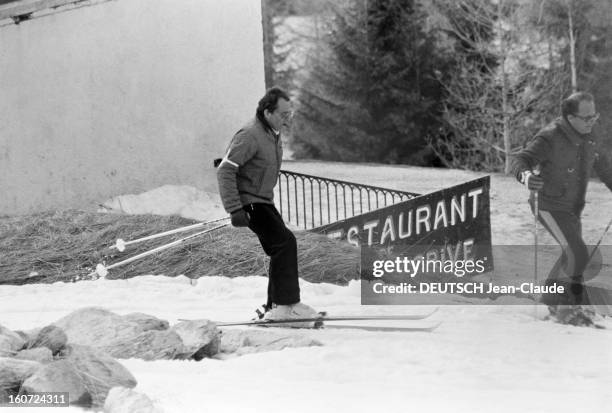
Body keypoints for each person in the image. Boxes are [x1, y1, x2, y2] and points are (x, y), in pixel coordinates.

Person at [216, 87, 318, 322]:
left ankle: (277, 305)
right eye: (283, 114)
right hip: (249, 202)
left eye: (289, 114)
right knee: (284, 243)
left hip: (263, 201)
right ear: (267, 111)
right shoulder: (250, 134)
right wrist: (235, 208)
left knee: (280, 247)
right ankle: (285, 305)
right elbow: (226, 170)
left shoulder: (271, 133)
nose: (287, 119)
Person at [511, 91, 612, 321]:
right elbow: (520, 160)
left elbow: (605, 168)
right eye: (587, 118)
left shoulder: (590, 135)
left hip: (573, 208)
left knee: (573, 254)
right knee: (577, 252)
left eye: (594, 116)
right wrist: (526, 177)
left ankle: (552, 300)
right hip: (548, 205)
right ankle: (567, 308)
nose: (592, 122)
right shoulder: (550, 137)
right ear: (569, 117)